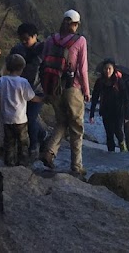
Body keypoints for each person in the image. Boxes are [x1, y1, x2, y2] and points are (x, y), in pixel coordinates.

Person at [39, 10, 89, 174]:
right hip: (71, 88)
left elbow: (44, 65)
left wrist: (45, 90)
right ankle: (76, 166)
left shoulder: (50, 39)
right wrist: (87, 90)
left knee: (61, 122)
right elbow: (82, 68)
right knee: (76, 127)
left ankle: (49, 151)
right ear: (75, 24)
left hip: (53, 89)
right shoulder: (80, 40)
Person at [0, 54, 35, 167]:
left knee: (9, 142)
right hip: (20, 119)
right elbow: (31, 97)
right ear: (22, 68)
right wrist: (44, 98)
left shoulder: (2, 80)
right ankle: (22, 163)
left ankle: (9, 163)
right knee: (23, 142)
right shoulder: (23, 82)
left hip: (6, 118)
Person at [9, 23, 47, 158]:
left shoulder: (44, 50)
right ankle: (42, 134)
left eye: (27, 39)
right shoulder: (17, 49)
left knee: (30, 118)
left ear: (35, 36)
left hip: (38, 90)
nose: (24, 42)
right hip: (20, 91)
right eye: (22, 39)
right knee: (23, 117)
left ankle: (33, 146)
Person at [88, 59, 126, 153]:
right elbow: (95, 98)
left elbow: (125, 97)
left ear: (113, 69)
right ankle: (111, 155)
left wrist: (127, 114)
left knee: (118, 132)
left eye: (109, 68)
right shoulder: (100, 82)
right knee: (109, 134)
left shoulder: (119, 81)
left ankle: (124, 152)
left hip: (118, 111)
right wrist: (91, 114)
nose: (107, 71)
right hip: (106, 111)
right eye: (105, 68)